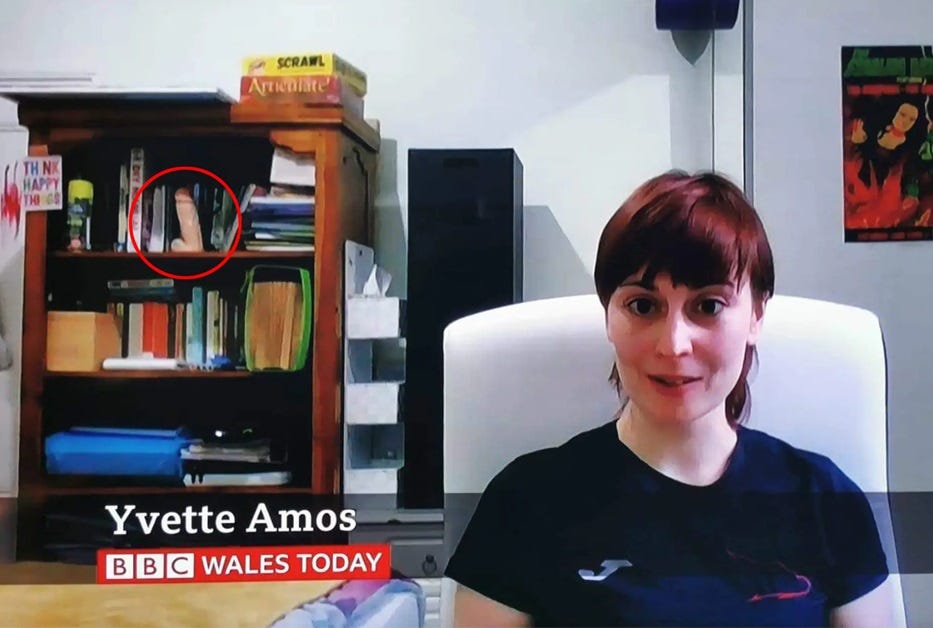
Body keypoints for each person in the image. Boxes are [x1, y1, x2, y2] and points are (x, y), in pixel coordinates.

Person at [443, 171, 895, 627]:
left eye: (709, 305)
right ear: (609, 316)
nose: (674, 344)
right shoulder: (524, 503)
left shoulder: (826, 502)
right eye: (642, 305)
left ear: (756, 315)